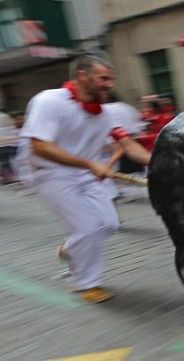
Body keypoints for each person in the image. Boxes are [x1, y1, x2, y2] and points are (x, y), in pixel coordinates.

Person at [17, 55, 151, 303]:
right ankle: (85, 285)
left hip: (86, 175)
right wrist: (89, 163)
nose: (109, 84)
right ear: (82, 76)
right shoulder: (49, 101)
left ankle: (70, 249)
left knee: (109, 224)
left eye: (111, 79)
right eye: (103, 78)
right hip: (51, 175)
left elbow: (129, 145)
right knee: (88, 228)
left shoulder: (104, 114)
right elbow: (40, 147)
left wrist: (158, 165)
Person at [0, 110, 18, 184]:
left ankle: (9, 177)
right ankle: (9, 177)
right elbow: (12, 127)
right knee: (6, 161)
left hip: (3, 144)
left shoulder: (3, 117)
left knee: (4, 162)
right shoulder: (7, 117)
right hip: (9, 143)